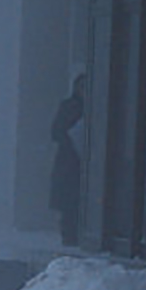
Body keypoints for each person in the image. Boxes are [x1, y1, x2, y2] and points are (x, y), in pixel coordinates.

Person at [50, 73, 86, 246]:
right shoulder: (69, 106)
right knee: (70, 201)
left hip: (82, 162)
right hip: (70, 161)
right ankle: (69, 235)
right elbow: (56, 132)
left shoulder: (96, 107)